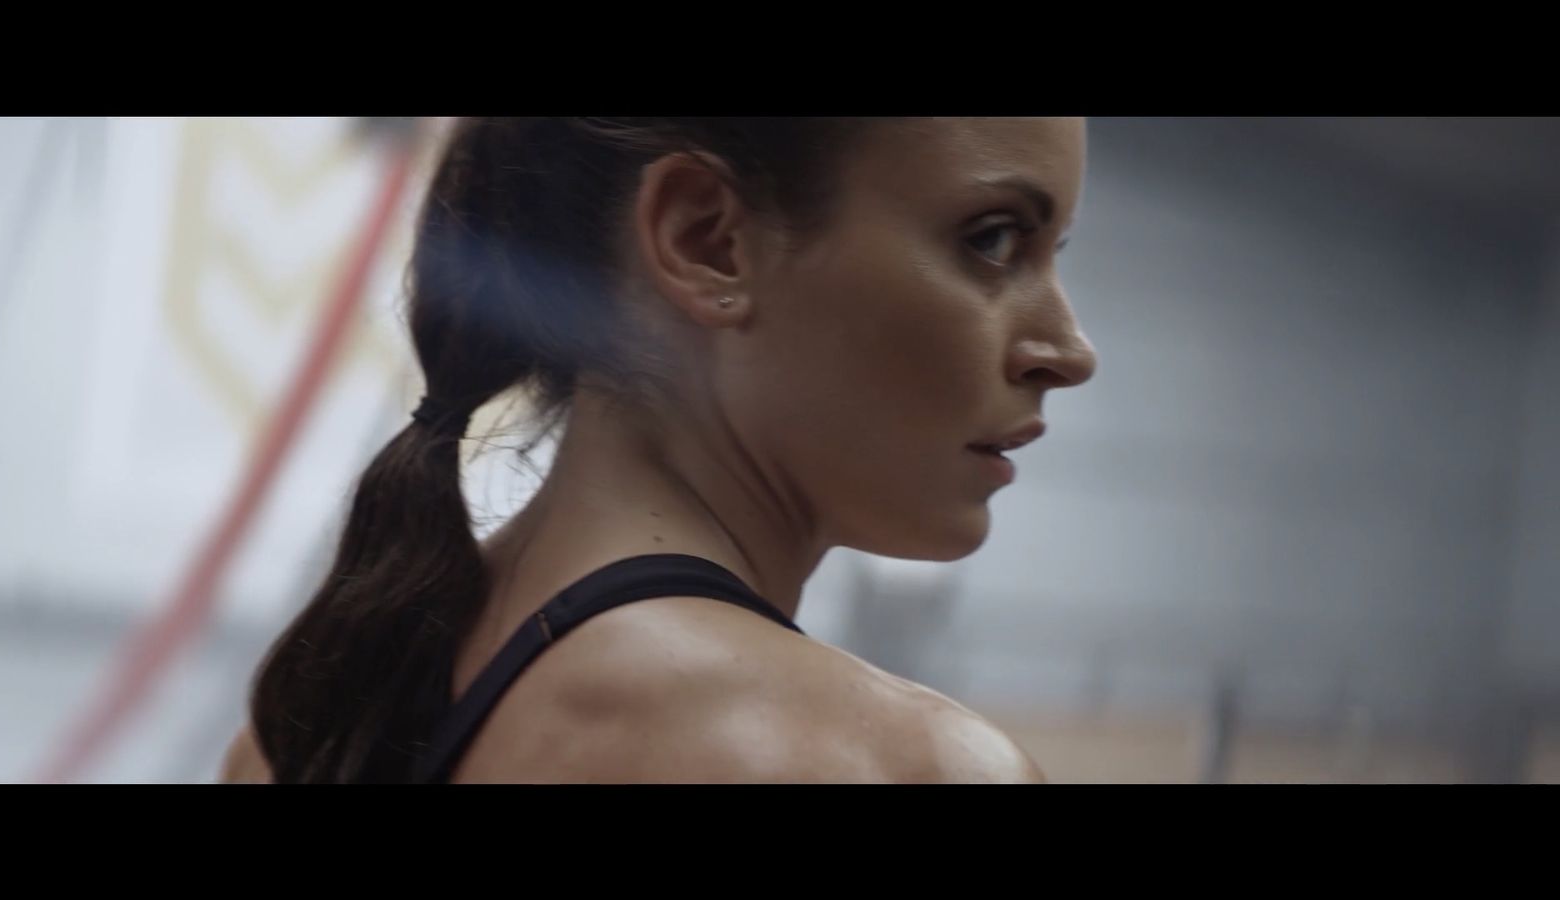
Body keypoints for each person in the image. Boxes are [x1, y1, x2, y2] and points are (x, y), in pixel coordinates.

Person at [219, 117, 1098, 784]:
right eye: (991, 239)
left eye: (1053, 253)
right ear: (705, 240)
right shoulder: (900, 765)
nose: (1068, 350)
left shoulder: (301, 730)